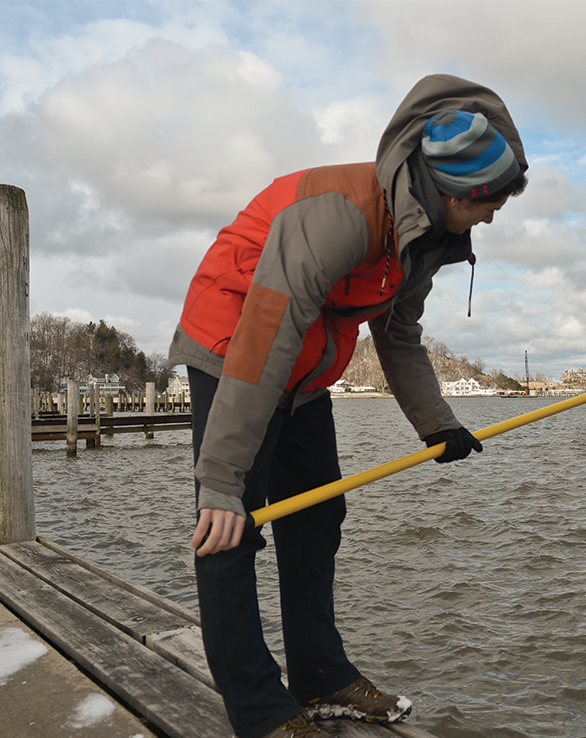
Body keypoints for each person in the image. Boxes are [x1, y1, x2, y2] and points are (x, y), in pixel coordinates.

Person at [168, 74, 528, 738]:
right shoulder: (339, 215)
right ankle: (258, 709)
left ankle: (320, 674)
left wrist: (438, 424)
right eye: (490, 204)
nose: (494, 216)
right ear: (452, 194)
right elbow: (266, 333)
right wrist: (220, 481)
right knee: (230, 527)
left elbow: (398, 333)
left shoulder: (423, 235)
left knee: (319, 511)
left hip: (302, 364)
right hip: (235, 344)